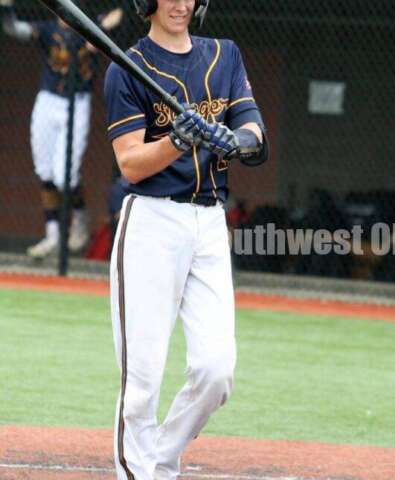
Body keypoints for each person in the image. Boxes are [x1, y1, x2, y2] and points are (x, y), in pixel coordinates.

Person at [104, 0, 268, 478]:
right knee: (142, 377)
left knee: (217, 371)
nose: (180, 3)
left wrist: (232, 141)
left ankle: (161, 456)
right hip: (152, 222)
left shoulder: (225, 54)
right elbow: (130, 164)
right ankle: (138, 472)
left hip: (210, 223)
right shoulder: (128, 68)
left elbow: (255, 129)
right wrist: (176, 140)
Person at [0, 0, 123, 257]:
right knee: (44, 169)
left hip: (77, 101)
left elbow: (119, 13)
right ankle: (53, 234)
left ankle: (79, 218)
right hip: (48, 100)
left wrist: (98, 30)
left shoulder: (89, 27)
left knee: (64, 175)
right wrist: (6, 8)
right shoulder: (46, 29)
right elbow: (14, 29)